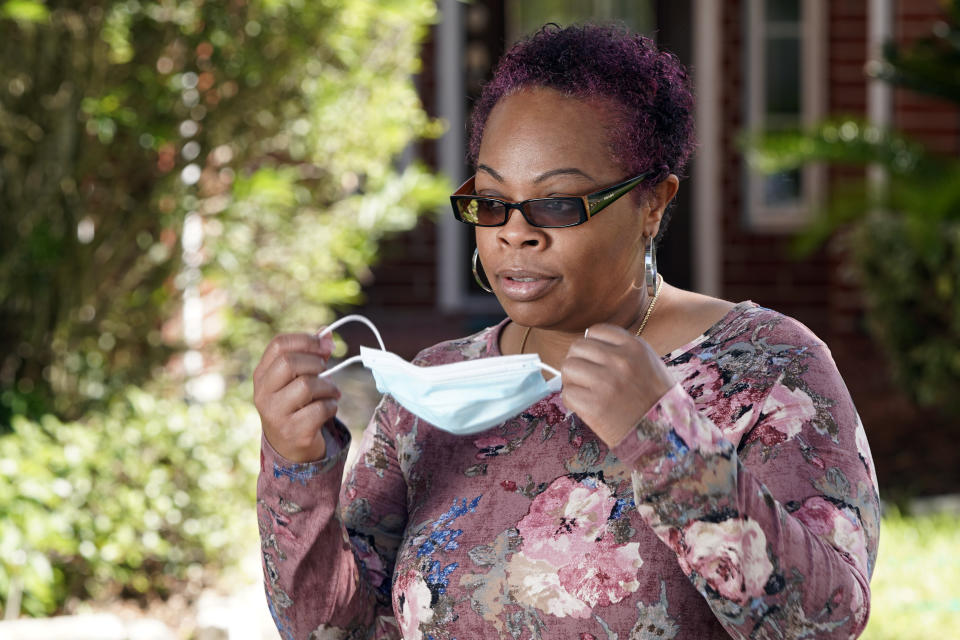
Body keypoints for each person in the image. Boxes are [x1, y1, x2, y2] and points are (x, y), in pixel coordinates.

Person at [254, 24, 880, 640]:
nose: (514, 233)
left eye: (557, 203)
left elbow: (819, 626)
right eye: (492, 201)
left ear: (653, 204)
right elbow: (339, 631)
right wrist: (298, 467)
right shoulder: (434, 394)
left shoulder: (769, 370)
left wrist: (665, 438)